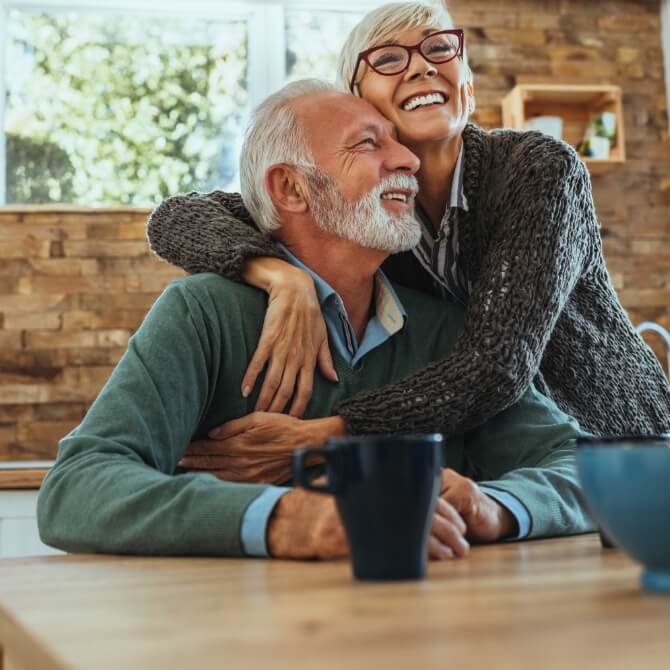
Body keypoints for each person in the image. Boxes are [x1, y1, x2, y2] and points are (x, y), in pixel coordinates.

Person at [37, 80, 594, 560]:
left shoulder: (447, 331)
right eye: (369, 144)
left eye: (398, 144)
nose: (408, 160)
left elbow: (582, 466)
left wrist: (493, 504)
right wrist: (288, 518)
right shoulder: (202, 314)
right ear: (291, 188)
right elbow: (77, 488)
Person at [147, 1, 670, 446]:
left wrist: (328, 434)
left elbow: (497, 366)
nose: (422, 68)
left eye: (440, 49)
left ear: (466, 82)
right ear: (356, 97)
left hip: (621, 443)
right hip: (502, 456)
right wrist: (282, 276)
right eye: (390, 59)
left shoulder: (539, 170)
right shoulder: (366, 209)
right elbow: (178, 217)